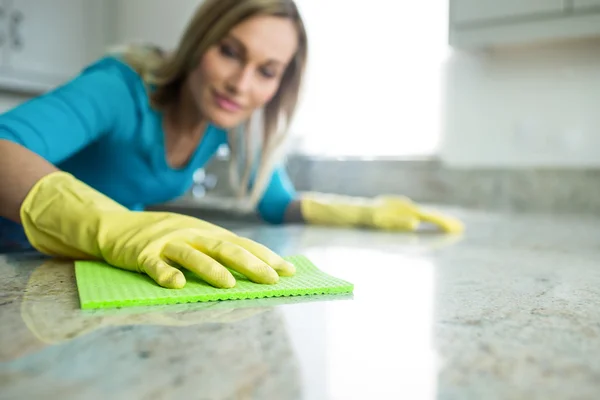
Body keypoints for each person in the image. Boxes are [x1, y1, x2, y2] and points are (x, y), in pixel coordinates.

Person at [0, 0, 463, 289]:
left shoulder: (226, 121)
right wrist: (115, 226)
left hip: (65, 266)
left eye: (266, 71)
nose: (241, 84)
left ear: (281, 84)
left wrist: (363, 213)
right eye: (230, 51)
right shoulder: (119, 88)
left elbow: (277, 202)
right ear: (200, 41)